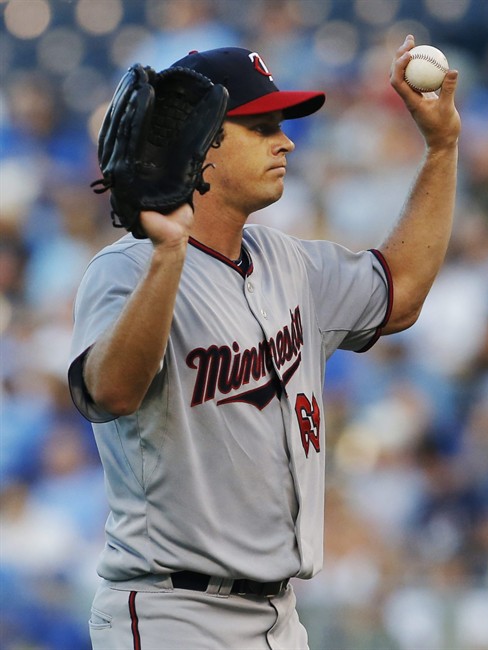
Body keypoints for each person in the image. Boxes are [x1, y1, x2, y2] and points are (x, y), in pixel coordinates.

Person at [68, 37, 460, 650]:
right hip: (173, 611)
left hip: (280, 616)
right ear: (201, 145)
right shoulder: (125, 270)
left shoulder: (288, 262)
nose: (286, 141)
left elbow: (401, 294)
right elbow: (112, 392)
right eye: (260, 126)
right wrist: (169, 251)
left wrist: (440, 148)